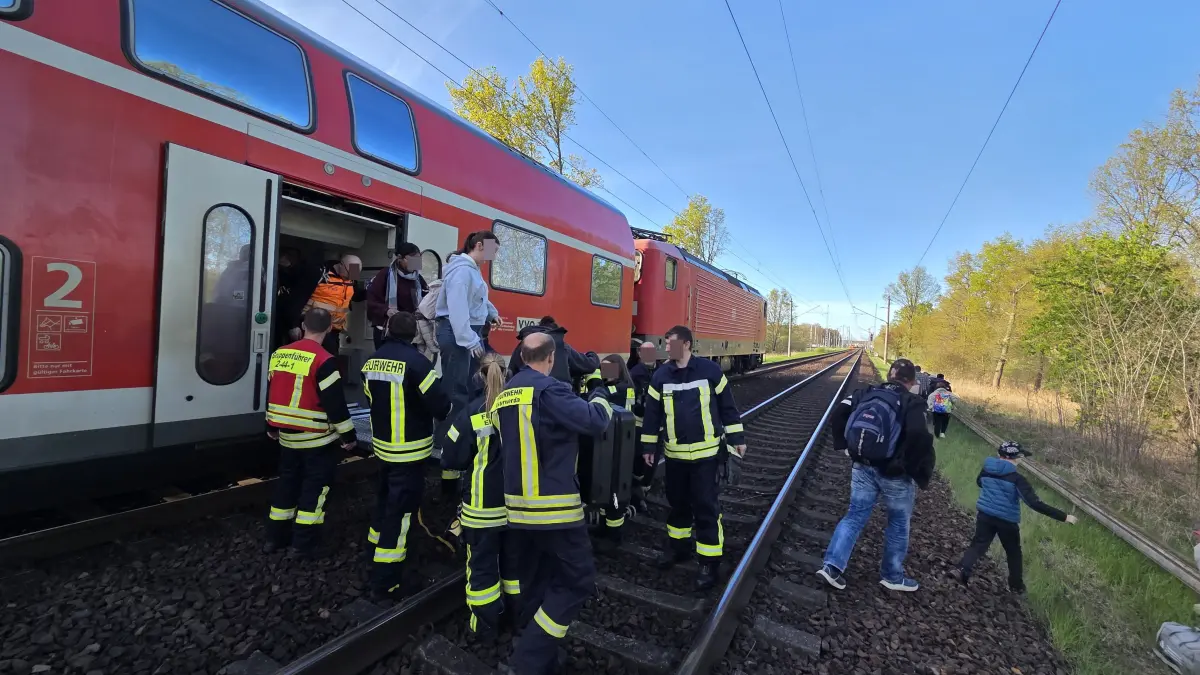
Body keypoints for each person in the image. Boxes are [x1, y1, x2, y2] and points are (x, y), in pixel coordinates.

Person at [495, 332, 613, 674]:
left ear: (520, 355)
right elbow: (596, 420)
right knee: (578, 581)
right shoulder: (548, 390)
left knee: (536, 582)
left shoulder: (505, 394)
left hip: (518, 511)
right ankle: (530, 658)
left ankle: (542, 660)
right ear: (550, 359)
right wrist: (599, 389)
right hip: (555, 511)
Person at [640, 326, 746, 591]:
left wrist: (737, 439)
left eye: (671, 343)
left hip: (706, 457)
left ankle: (709, 563)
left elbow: (728, 407)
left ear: (686, 344)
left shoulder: (710, 372)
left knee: (705, 507)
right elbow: (652, 415)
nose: (666, 348)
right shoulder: (660, 376)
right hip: (675, 458)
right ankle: (679, 549)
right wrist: (648, 447)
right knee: (677, 505)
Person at [816, 358, 934, 592]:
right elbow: (920, 435)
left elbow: (839, 412)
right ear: (911, 381)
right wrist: (908, 466)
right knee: (898, 523)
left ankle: (831, 567)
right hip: (895, 475)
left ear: (890, 376)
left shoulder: (866, 393)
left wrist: (845, 446)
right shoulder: (912, 401)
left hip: (863, 466)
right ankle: (892, 576)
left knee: (854, 515)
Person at [362, 312, 452, 598]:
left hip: (383, 446)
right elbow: (439, 404)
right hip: (410, 450)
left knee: (384, 498)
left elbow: (369, 397)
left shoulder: (372, 360)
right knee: (400, 513)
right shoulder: (417, 364)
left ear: (388, 330)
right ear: (414, 335)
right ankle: (386, 580)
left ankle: (373, 548)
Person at [264, 308, 358, 557]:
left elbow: (275, 392)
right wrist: (348, 437)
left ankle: (274, 539)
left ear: (303, 325)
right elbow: (335, 405)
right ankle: (302, 545)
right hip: (317, 439)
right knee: (314, 491)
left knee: (286, 486)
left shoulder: (279, 355)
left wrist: (271, 427)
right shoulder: (325, 360)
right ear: (329, 329)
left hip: (286, 438)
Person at [441, 352, 519, 636]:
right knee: (514, 566)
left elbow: (450, 456)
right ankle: (516, 617)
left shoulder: (471, 412)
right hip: (518, 506)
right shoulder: (521, 409)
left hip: (482, 509)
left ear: (479, 377)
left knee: (483, 569)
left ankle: (485, 627)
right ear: (507, 375)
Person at [948, 441, 1076, 592]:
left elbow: (980, 483)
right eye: (1021, 457)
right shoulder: (1017, 479)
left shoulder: (987, 470)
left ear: (999, 455)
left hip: (985, 515)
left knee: (978, 544)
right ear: (1016, 458)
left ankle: (962, 569)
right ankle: (1016, 586)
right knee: (1013, 552)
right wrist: (1064, 517)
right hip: (1006, 521)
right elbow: (1034, 503)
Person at [434, 232, 501, 439]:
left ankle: (458, 437)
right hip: (459, 335)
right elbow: (458, 309)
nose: (494, 256)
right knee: (456, 390)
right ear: (480, 245)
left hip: (465, 334)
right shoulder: (463, 272)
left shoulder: (471, 270)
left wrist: (491, 313)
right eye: (493, 250)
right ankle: (445, 442)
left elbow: (476, 298)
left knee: (467, 385)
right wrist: (470, 340)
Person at [590, 353, 640, 552]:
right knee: (607, 485)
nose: (605, 373)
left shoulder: (615, 389)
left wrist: (593, 380)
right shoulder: (626, 386)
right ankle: (604, 526)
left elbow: (598, 396)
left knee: (615, 490)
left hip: (619, 444)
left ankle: (614, 535)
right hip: (615, 443)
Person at [367, 243, 429, 350]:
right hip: (386, 329)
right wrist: (386, 310)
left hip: (410, 331)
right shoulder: (385, 274)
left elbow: (426, 298)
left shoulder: (418, 279)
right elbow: (372, 300)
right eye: (412, 259)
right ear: (399, 258)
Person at [299, 254, 365, 355]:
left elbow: (355, 296)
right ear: (341, 265)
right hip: (312, 328)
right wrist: (293, 325)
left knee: (330, 359)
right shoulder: (319, 273)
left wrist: (373, 291)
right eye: (349, 274)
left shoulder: (350, 277)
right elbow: (298, 298)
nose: (351, 277)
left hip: (333, 330)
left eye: (354, 274)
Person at [506, 316, 600, 385]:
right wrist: (592, 354)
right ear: (551, 357)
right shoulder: (561, 346)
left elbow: (510, 374)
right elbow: (589, 365)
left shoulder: (521, 346)